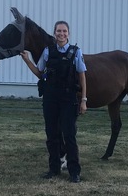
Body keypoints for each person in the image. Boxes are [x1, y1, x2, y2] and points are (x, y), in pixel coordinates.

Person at [20, 20, 87, 183]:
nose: (61, 34)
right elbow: (40, 72)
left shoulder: (76, 52)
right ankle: (54, 168)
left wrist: (83, 99)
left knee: (69, 135)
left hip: (68, 98)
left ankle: (74, 171)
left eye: (64, 31)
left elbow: (82, 76)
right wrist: (28, 60)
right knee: (52, 135)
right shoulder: (48, 51)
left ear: (68, 34)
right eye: (58, 31)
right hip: (51, 98)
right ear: (54, 33)